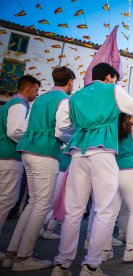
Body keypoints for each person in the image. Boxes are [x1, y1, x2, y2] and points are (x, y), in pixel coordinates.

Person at [51, 63, 133, 276]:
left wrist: (85, 125)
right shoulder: (113, 89)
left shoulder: (73, 97)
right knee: (103, 209)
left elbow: (63, 126)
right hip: (102, 151)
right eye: (115, 78)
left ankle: (62, 264)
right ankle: (91, 265)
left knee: (74, 211)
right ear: (110, 77)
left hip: (78, 152)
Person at [4, 68, 75, 272]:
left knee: (33, 203)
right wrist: (74, 138)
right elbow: (62, 129)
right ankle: (24, 257)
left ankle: (13, 252)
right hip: (45, 151)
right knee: (42, 204)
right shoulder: (64, 99)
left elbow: (26, 127)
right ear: (70, 82)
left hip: (27, 149)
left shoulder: (39, 99)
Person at [101, 114, 133, 262]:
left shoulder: (113, 129)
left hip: (113, 171)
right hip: (128, 171)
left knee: (112, 213)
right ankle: (131, 249)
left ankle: (105, 250)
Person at [0, 75, 39, 259]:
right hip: (9, 157)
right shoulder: (19, 104)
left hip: (6, 156)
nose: (37, 94)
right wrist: (31, 142)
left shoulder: (13, 103)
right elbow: (14, 130)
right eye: (36, 90)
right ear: (28, 88)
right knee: (5, 201)